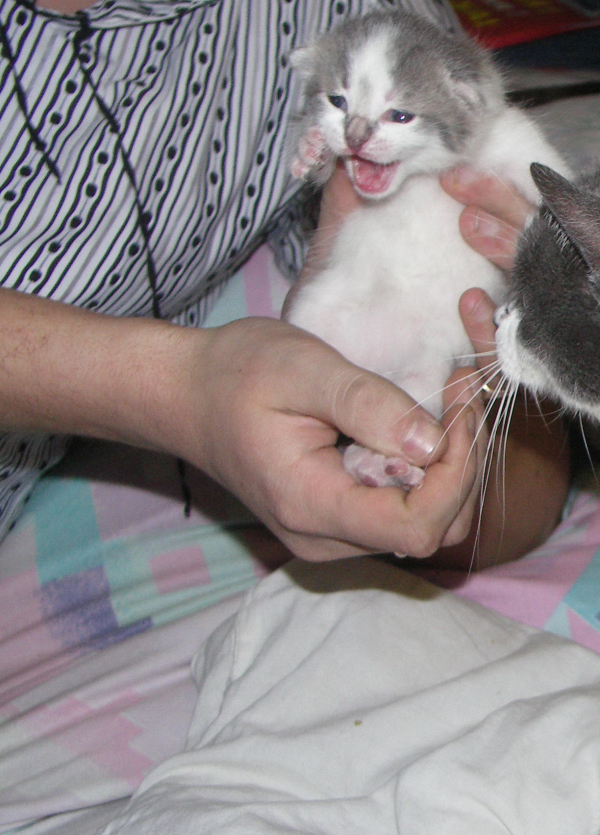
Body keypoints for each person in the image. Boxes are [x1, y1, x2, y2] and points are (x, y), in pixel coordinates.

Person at [0, 0, 568, 565]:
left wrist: (547, 317)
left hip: (426, 324)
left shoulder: (369, 18)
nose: (358, 132)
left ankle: (377, 454)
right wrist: (188, 390)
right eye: (340, 105)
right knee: (329, 330)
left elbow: (565, 204)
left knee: (407, 369)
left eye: (392, 117)